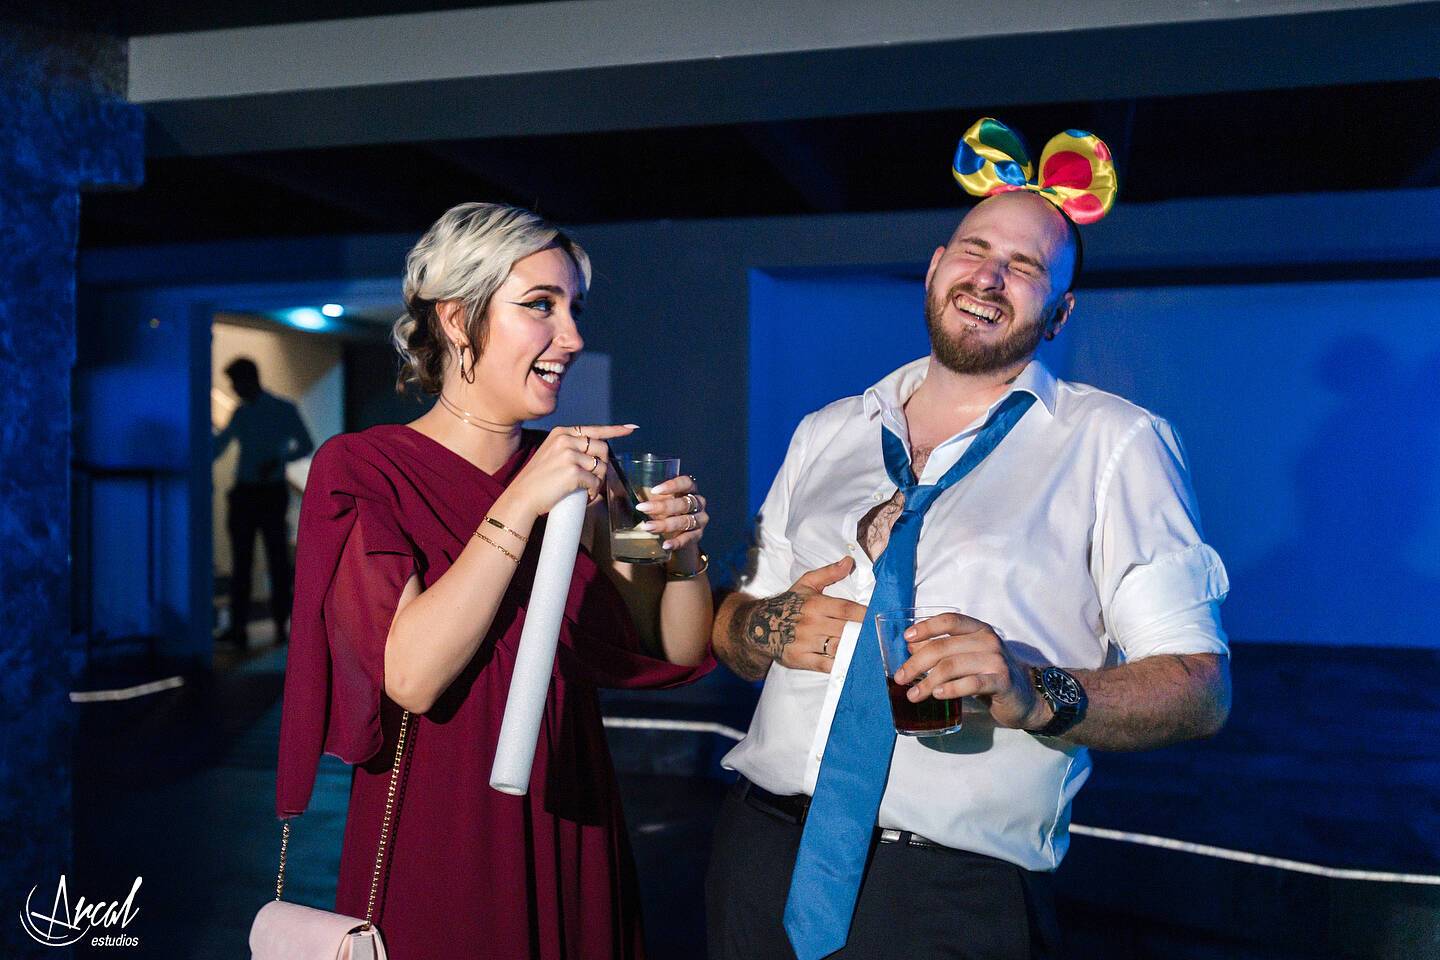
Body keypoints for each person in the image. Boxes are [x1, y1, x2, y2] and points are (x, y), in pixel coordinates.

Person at [706, 122, 1231, 960]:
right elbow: (731, 629)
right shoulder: (827, 431)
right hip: (757, 860)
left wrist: (1035, 692)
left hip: (948, 896)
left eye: (1025, 267)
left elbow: (1201, 688)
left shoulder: (1116, 444)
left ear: (1058, 312)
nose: (990, 275)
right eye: (975, 248)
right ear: (934, 268)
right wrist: (764, 627)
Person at [274, 202, 715, 959]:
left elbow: (672, 647)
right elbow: (410, 675)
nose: (571, 338)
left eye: (573, 310)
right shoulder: (362, 469)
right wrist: (521, 500)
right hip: (440, 827)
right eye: (540, 306)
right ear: (456, 318)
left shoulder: (575, 469)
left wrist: (680, 551)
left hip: (572, 810)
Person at [212, 357, 314, 647]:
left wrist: (278, 460)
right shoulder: (242, 413)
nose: (233, 389)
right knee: (243, 563)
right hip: (247, 492)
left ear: (248, 380)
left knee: (276, 561)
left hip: (268, 492)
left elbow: (306, 443)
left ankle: (282, 626)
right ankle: (241, 627)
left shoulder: (281, 409)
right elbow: (219, 446)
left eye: (235, 383)